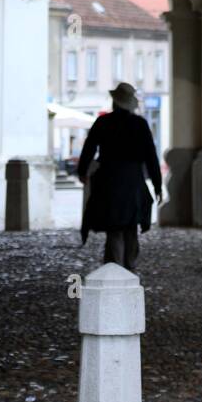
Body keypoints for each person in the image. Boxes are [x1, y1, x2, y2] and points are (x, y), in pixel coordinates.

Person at [77, 82, 162, 271]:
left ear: (115, 102)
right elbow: (151, 157)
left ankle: (115, 269)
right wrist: (157, 185)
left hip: (109, 181)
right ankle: (129, 268)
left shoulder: (103, 123)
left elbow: (88, 150)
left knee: (114, 228)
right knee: (130, 227)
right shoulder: (140, 124)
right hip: (133, 182)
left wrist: (82, 172)